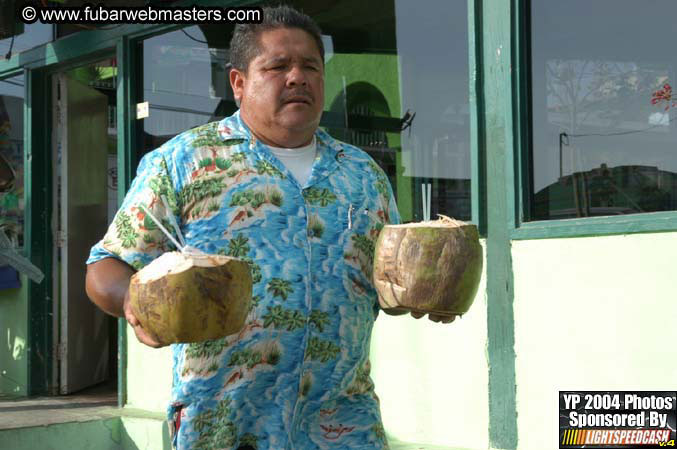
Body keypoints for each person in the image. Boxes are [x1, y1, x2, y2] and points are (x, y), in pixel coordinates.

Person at [86, 5, 451, 449]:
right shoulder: (183, 163)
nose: (297, 77)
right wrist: (134, 302)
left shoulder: (362, 175)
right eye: (278, 66)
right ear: (239, 83)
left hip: (342, 426)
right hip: (224, 426)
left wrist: (422, 294)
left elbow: (379, 288)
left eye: (310, 67)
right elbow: (106, 266)